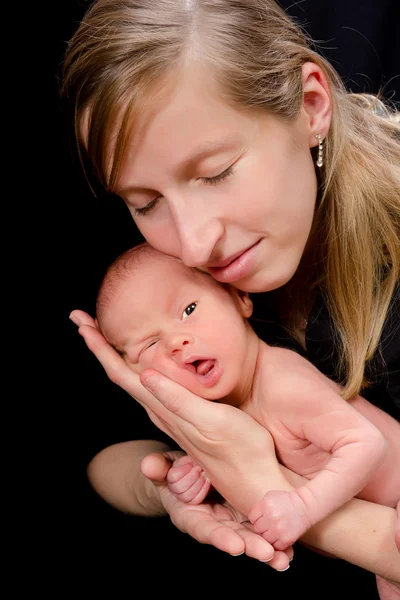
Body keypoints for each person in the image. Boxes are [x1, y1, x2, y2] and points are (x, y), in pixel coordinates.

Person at [62, 0, 400, 595]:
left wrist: (260, 486)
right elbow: (101, 455)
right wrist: (171, 486)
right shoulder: (160, 271)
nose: (193, 245)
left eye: (216, 172)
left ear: (311, 106)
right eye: (144, 203)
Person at [94, 242, 400, 570]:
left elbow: (367, 443)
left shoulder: (282, 383)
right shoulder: (220, 413)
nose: (175, 342)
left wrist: (303, 506)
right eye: (150, 344)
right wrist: (200, 475)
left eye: (189, 310)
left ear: (239, 298)